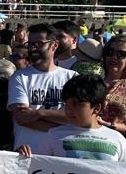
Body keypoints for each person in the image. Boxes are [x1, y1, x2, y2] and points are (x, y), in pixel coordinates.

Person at [18, 75, 126, 161]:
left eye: (76, 104)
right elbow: (35, 167)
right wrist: (20, 155)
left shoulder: (117, 139)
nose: (69, 110)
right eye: (66, 104)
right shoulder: (53, 135)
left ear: (96, 108)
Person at [8, 23, 75, 152]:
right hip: (28, 153)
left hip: (62, 155)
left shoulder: (71, 77)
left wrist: (38, 113)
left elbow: (77, 116)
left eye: (39, 44)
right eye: (30, 44)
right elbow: (22, 118)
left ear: (54, 45)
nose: (33, 49)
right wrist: (64, 127)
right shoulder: (20, 77)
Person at [98, 35, 126, 133]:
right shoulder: (91, 79)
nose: (114, 57)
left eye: (121, 54)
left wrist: (108, 125)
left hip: (118, 139)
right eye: (110, 52)